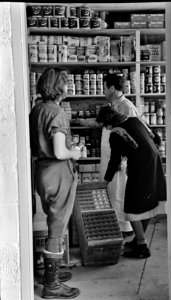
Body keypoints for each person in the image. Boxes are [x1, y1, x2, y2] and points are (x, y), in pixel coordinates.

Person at [29, 68, 81, 299]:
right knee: (57, 227)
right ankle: (52, 285)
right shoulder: (57, 112)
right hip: (58, 172)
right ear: (59, 88)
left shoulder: (36, 109)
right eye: (66, 84)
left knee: (53, 221)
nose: (68, 87)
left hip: (41, 172)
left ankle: (53, 273)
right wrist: (75, 152)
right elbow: (60, 152)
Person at [96, 105, 166, 258]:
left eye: (105, 125)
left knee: (131, 206)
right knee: (148, 202)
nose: (106, 129)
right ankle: (138, 240)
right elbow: (157, 138)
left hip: (141, 167)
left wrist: (106, 181)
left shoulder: (116, 133)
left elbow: (115, 160)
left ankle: (142, 246)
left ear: (108, 122)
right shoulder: (135, 119)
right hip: (155, 162)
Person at [101, 73, 156, 238]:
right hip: (115, 160)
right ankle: (126, 232)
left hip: (125, 163)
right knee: (116, 197)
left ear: (111, 88)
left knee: (125, 199)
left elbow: (139, 136)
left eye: (104, 87)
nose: (103, 91)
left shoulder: (128, 107)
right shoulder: (112, 106)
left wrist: (123, 161)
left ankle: (133, 235)